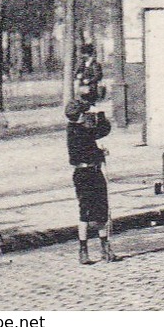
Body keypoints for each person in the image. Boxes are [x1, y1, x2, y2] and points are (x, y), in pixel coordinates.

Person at [66, 98, 119, 264]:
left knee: (86, 213)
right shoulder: (83, 131)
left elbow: (95, 136)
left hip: (81, 174)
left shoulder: (72, 129)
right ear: (81, 115)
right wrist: (100, 114)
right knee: (100, 211)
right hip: (91, 173)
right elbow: (102, 131)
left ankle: (84, 251)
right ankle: (105, 250)